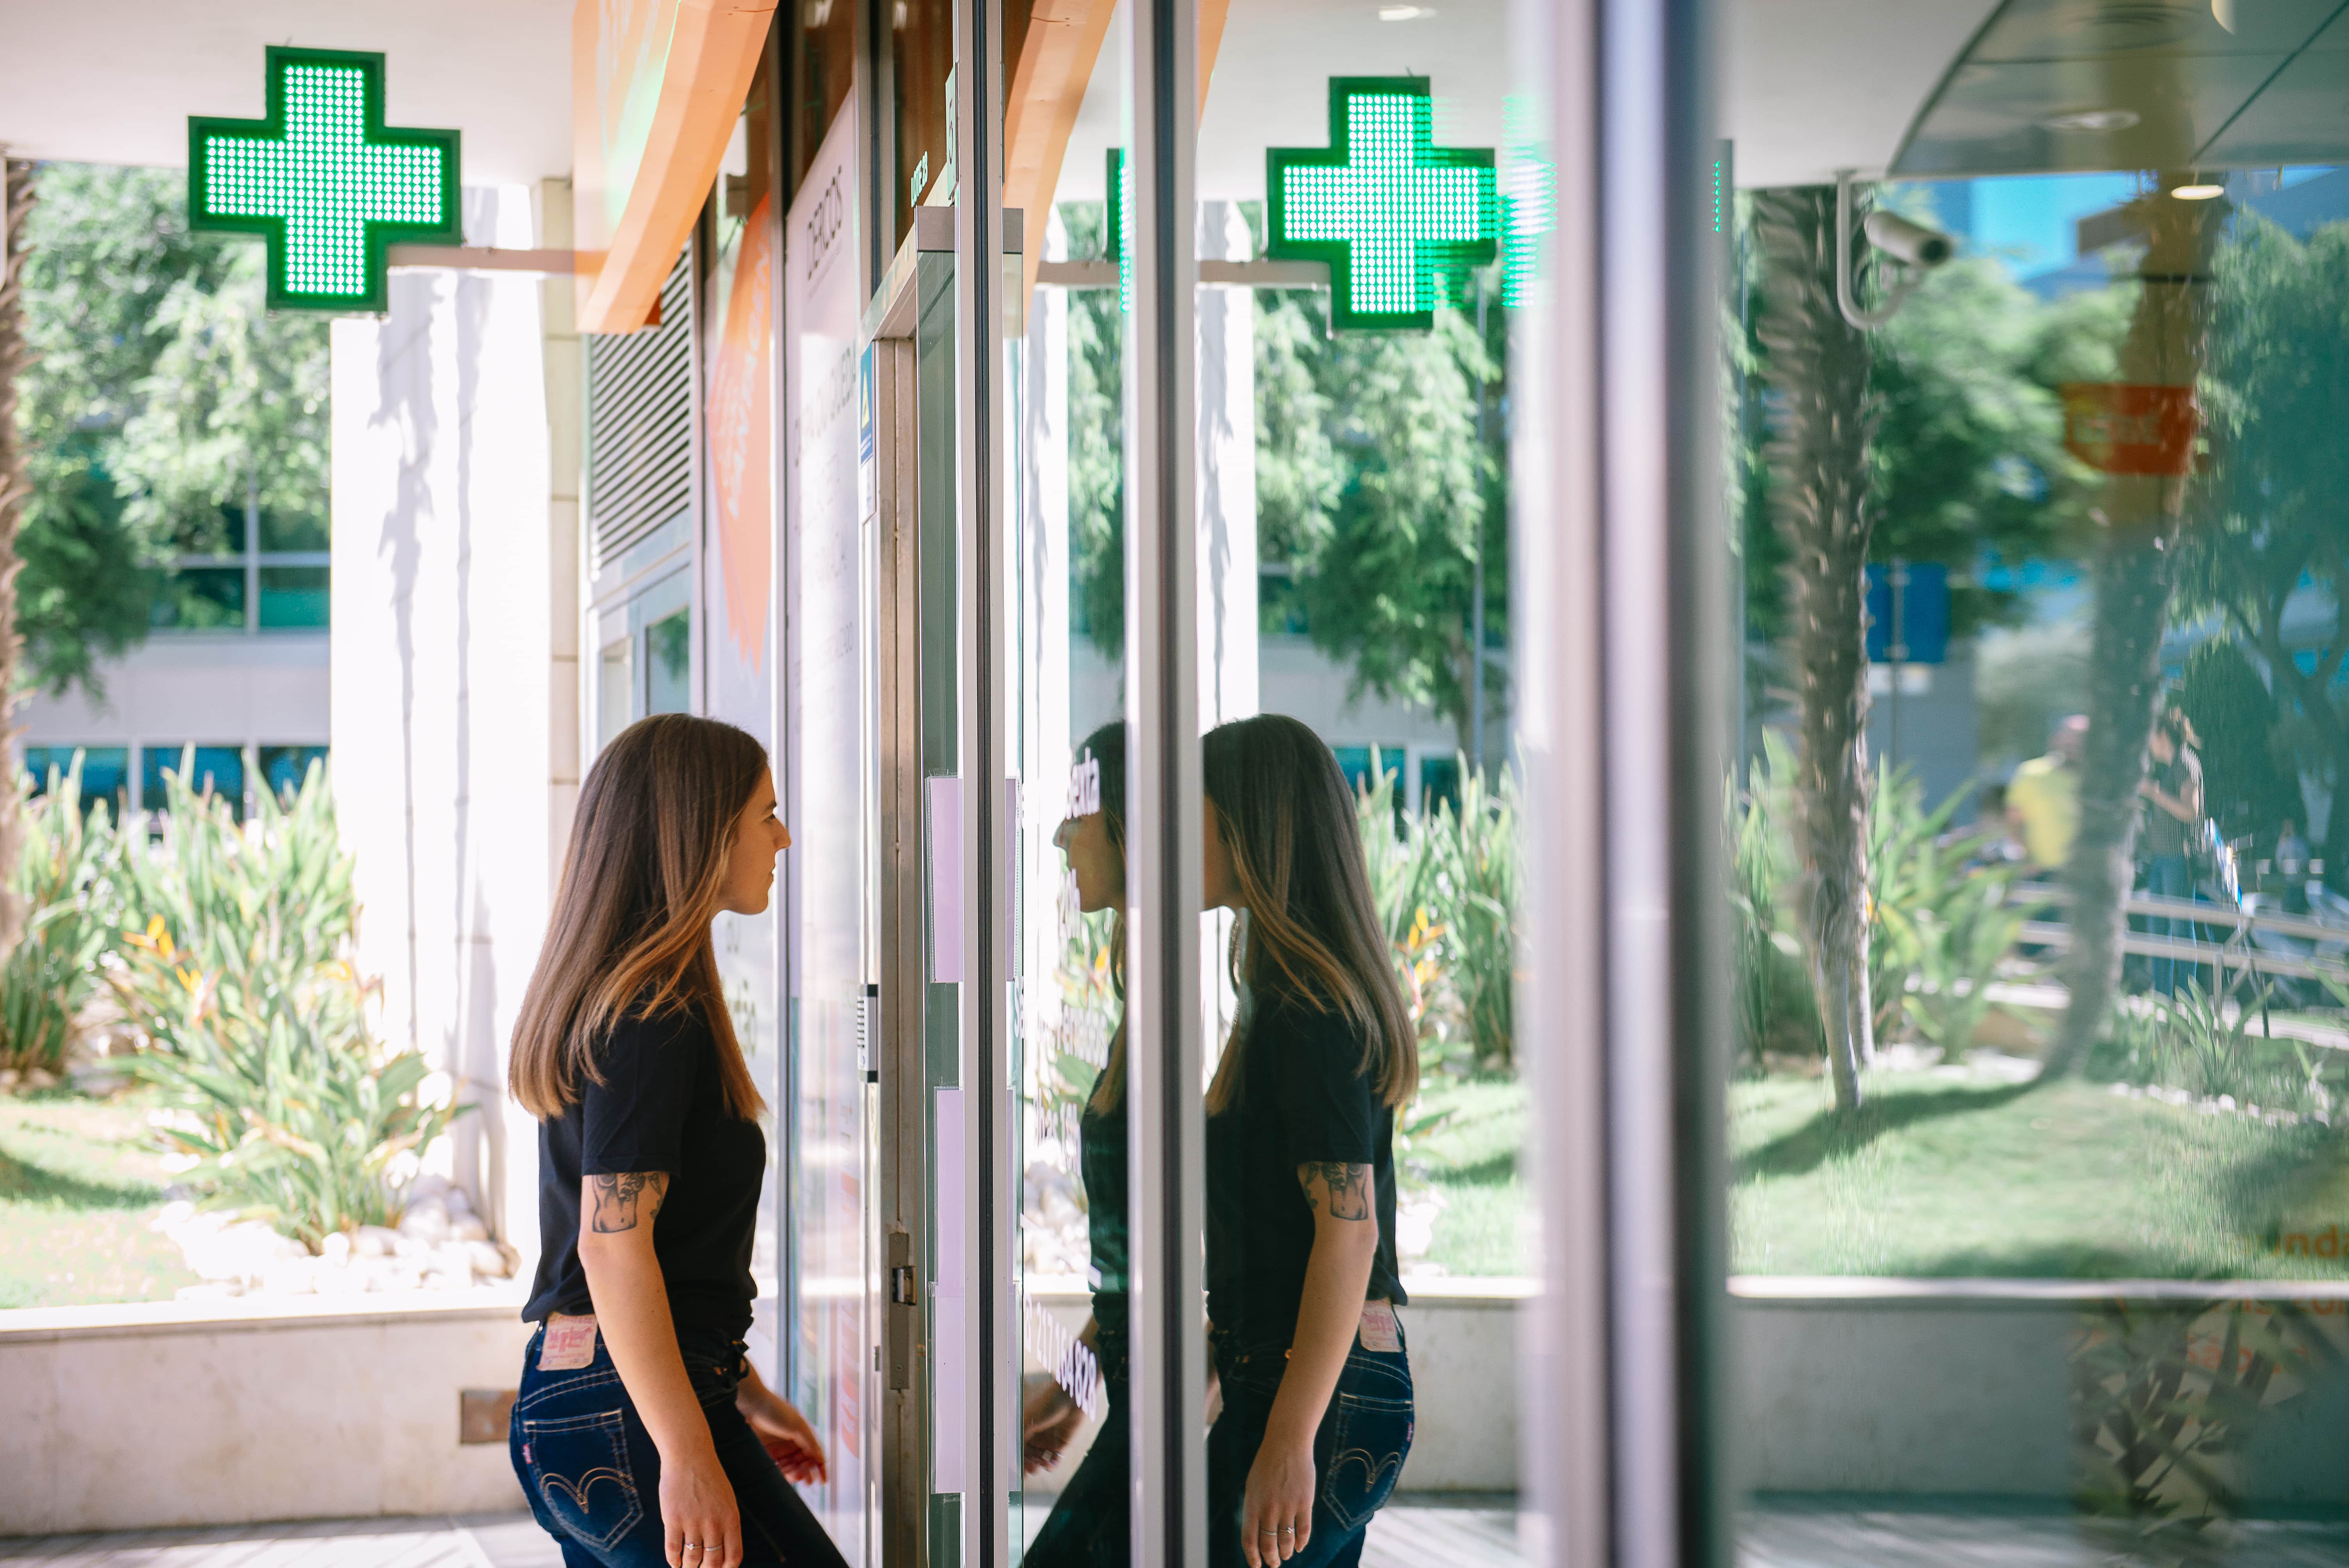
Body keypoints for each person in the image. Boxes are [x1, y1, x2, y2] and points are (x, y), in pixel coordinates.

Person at [506, 714, 845, 1568]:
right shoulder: (653, 1013)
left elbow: (661, 1249)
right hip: (630, 1415)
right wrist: (690, 1452)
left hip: (577, 1398)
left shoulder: (620, 1001)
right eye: (765, 815)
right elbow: (613, 1247)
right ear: (698, 832)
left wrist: (743, 1393)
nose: (785, 836)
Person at [1200, 714, 1417, 1568]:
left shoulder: (1307, 1009)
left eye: (1198, 813)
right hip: (1312, 1378)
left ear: (1250, 829)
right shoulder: (1289, 995)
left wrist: (1289, 1436)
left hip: (1316, 1389)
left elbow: (1349, 1230)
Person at [1022, 723, 1132, 1568]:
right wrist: (1076, 1385)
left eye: (1078, 811)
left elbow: (1201, 1262)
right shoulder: (1145, 975)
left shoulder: (1185, 988)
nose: (1061, 834)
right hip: (1136, 1406)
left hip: (1156, 1417)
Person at [2140, 706, 2206, 997]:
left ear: (2162, 735)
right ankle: (2163, 998)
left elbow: (2190, 812)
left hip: (2179, 859)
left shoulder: (2186, 764)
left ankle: (2187, 1001)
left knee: (2181, 930)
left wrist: (2155, 794)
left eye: (2149, 738)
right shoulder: (2166, 769)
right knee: (2157, 931)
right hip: (2160, 859)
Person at [2007, 714, 2087, 875]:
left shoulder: (2100, 780)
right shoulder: (2031, 774)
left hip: (2087, 873)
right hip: (2042, 871)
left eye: (2082, 738)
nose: (2075, 743)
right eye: (2070, 736)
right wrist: (2026, 858)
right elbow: (2014, 821)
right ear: (2057, 739)